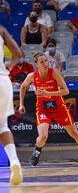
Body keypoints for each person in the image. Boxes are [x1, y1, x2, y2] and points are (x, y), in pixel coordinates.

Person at [18, 53, 78, 166]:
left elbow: (66, 91)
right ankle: (37, 151)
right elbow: (23, 87)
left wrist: (49, 93)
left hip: (58, 107)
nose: (45, 63)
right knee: (43, 136)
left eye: (46, 61)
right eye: (42, 62)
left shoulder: (54, 72)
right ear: (36, 64)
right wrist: (21, 104)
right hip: (43, 108)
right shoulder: (32, 76)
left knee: (74, 133)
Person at [0, 25, 23, 185]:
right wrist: (10, 66)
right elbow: (17, 54)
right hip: (3, 80)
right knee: (2, 126)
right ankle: (14, 161)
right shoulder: (1, 29)